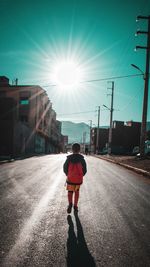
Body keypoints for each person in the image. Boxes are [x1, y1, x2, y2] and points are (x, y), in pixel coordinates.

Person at [63, 143, 87, 213]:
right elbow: (85, 170)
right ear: (79, 150)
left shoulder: (69, 158)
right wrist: (80, 176)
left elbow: (65, 168)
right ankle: (75, 206)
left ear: (72, 149)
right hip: (78, 180)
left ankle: (70, 204)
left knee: (70, 192)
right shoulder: (82, 159)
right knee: (76, 192)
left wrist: (68, 174)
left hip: (70, 179)